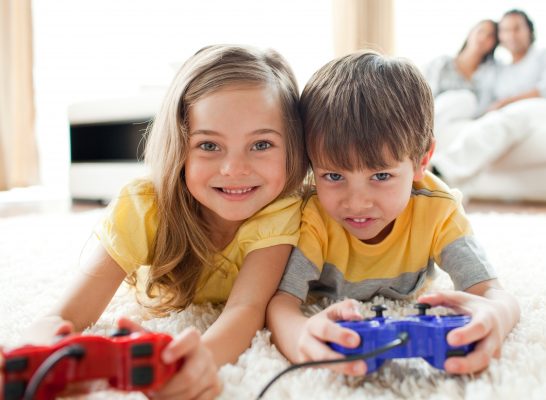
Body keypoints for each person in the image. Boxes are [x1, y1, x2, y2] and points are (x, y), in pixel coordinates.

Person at [20, 44, 307, 399]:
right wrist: (41, 353)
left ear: (292, 147)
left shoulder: (280, 210)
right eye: (209, 146)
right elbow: (63, 315)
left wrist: (202, 358)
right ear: (179, 145)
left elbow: (246, 309)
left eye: (261, 144)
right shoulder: (143, 206)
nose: (234, 168)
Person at [266, 51, 520, 377]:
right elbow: (281, 302)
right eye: (333, 176)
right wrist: (299, 336)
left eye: (381, 176)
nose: (357, 203)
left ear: (421, 159)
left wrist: (498, 315)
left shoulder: (438, 209)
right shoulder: (314, 215)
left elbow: (493, 292)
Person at [431, 10, 546, 195]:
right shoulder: (500, 70)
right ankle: (451, 190)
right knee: (492, 121)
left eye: (517, 29)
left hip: (538, 107)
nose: (511, 35)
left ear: (529, 31)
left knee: (508, 117)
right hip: (508, 114)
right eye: (505, 30)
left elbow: (543, 89)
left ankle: (441, 170)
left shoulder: (541, 56)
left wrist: (505, 102)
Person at [425, 19, 499, 120]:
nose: (483, 38)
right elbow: (426, 97)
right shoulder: (442, 64)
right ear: (470, 33)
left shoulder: (489, 73)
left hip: (465, 124)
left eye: (490, 36)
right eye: (480, 31)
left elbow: (483, 109)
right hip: (433, 118)